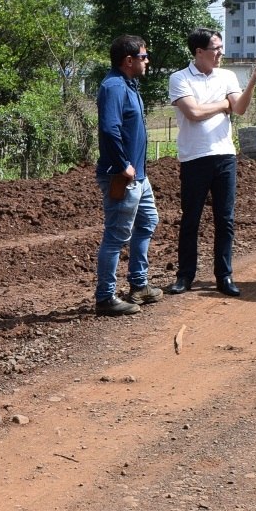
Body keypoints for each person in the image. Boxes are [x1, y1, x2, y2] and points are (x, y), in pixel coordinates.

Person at [166, 29, 256, 297]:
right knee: (191, 219)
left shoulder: (227, 76)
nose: (221, 53)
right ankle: (185, 275)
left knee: (225, 219)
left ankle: (224, 275)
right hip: (194, 157)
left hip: (224, 156)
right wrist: (224, 103)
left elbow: (240, 109)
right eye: (215, 49)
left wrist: (253, 82)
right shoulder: (179, 78)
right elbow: (194, 113)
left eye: (221, 47)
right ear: (199, 52)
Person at [92, 34, 162, 316]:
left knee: (147, 222)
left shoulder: (128, 85)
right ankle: (105, 298)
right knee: (116, 235)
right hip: (122, 176)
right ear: (128, 60)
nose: (147, 61)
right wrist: (123, 165)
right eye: (144, 57)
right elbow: (110, 129)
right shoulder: (113, 87)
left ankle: (139, 285)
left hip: (138, 177)